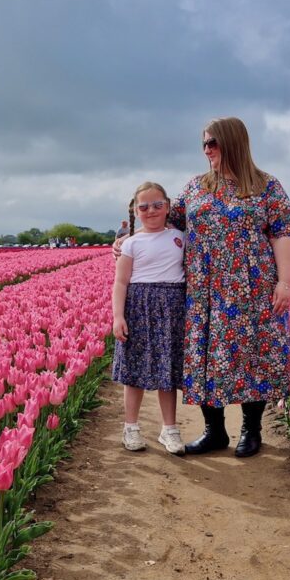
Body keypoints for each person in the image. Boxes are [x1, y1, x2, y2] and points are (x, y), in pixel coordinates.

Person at [114, 117, 290, 458]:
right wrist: (125, 239)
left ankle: (251, 430)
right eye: (204, 145)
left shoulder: (267, 187)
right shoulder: (196, 188)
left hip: (252, 286)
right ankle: (215, 431)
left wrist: (285, 283)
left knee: (251, 354)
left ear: (234, 143)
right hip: (203, 290)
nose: (207, 150)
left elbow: (281, 235)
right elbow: (162, 221)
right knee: (207, 355)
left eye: (213, 143)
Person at [111, 181, 187, 455]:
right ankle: (130, 427)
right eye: (143, 207)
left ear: (168, 207)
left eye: (157, 205)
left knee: (167, 370)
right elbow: (121, 282)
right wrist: (118, 316)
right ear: (135, 210)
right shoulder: (130, 244)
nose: (151, 211)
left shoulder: (180, 236)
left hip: (172, 307)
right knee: (135, 370)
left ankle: (170, 430)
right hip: (139, 306)